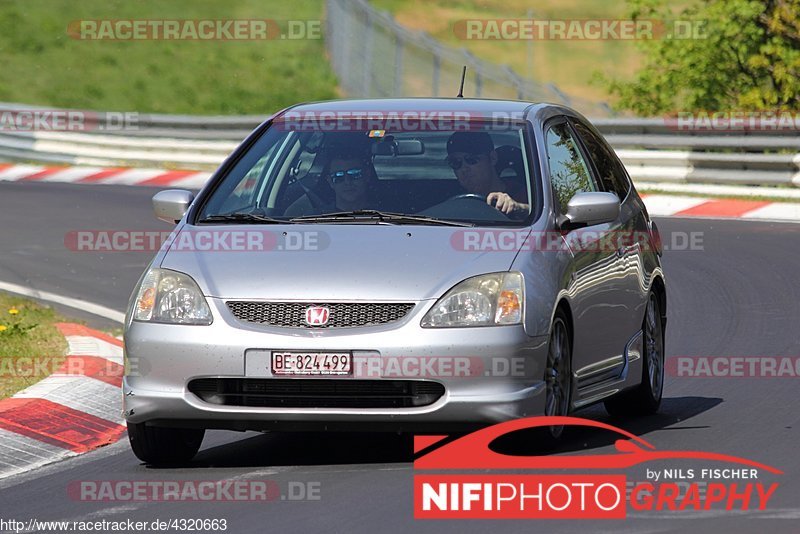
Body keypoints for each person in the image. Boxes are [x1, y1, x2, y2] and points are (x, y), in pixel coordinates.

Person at [445, 131, 529, 218]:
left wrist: (518, 207)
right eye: (455, 162)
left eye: (471, 159)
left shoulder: (524, 193)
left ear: (493, 158)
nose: (464, 168)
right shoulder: (448, 198)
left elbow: (540, 213)